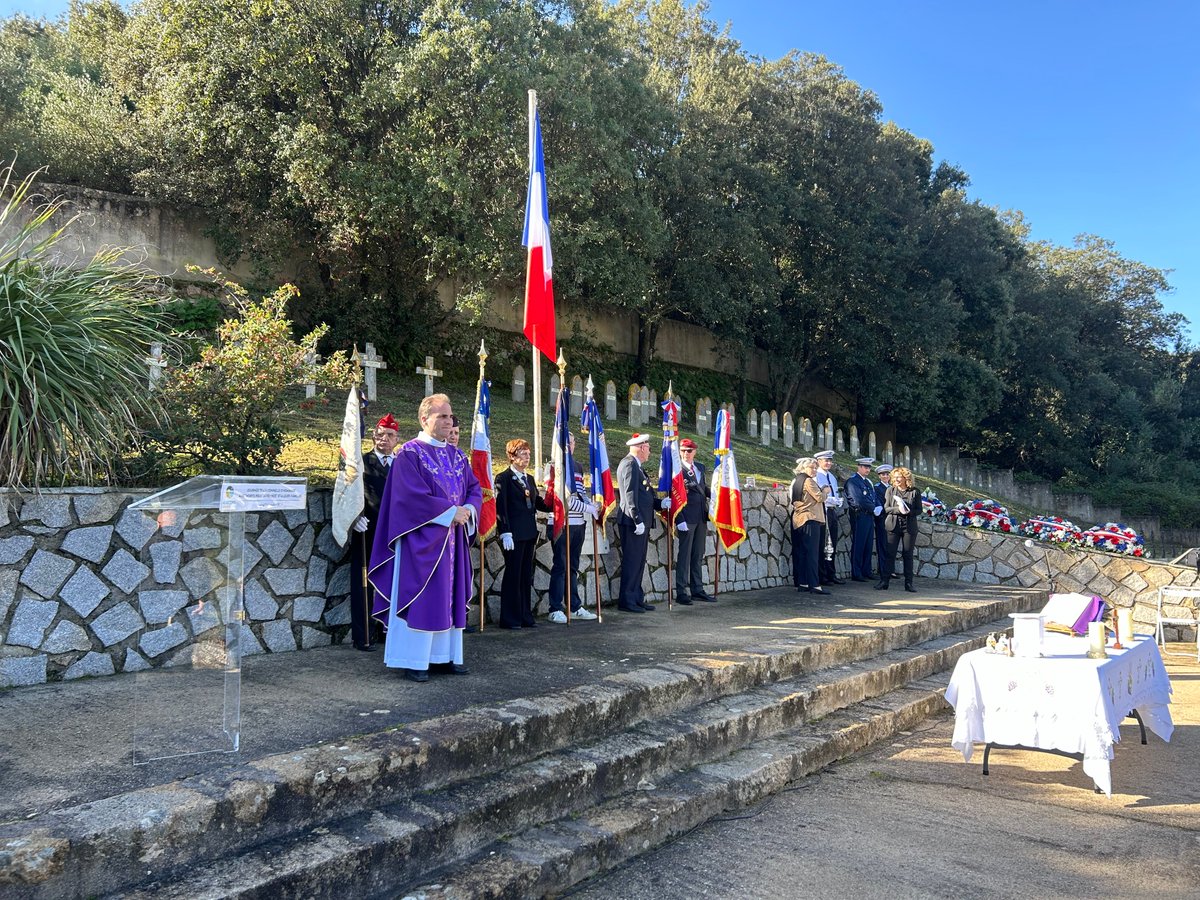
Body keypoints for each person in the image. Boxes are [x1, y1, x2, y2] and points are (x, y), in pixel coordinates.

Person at [369, 394, 482, 682]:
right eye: (442, 416)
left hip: (453, 541)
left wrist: (468, 509)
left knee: (450, 596)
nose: (449, 421)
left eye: (450, 416)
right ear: (424, 419)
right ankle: (414, 659)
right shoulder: (409, 454)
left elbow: (473, 488)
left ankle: (446, 657)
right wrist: (449, 512)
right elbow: (409, 498)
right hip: (423, 543)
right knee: (423, 598)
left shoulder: (457, 455)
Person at [347, 413, 400, 651]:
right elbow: (347, 494)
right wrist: (354, 518)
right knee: (363, 584)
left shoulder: (403, 465)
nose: (384, 439)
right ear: (373, 436)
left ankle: (390, 630)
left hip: (395, 534)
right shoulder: (360, 462)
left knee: (393, 583)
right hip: (367, 531)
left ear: (397, 438)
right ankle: (363, 634)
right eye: (380, 434)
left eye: (389, 435)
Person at [494, 438, 550, 628]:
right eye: (523, 454)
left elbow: (539, 503)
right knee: (513, 575)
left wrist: (554, 499)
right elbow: (501, 507)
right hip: (514, 535)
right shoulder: (504, 478)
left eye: (528, 454)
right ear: (512, 456)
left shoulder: (530, 479)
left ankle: (525, 615)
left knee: (526, 576)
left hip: (529, 533)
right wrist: (505, 531)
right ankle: (510, 618)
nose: (527, 458)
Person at [545, 433, 599, 623]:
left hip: (578, 524)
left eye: (572, 442)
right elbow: (561, 500)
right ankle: (555, 608)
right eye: (565, 443)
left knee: (573, 566)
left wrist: (592, 505)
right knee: (560, 565)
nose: (569, 446)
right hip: (561, 523)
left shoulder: (577, 466)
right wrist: (587, 508)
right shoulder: (553, 467)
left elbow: (581, 492)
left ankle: (574, 606)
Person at [616, 433, 670, 612]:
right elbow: (630, 495)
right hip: (633, 523)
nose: (649, 451)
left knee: (639, 562)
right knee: (632, 562)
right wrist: (637, 519)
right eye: (647, 447)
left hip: (641, 522)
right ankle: (627, 601)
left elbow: (645, 495)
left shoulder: (637, 467)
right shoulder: (629, 464)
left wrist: (660, 504)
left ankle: (636, 597)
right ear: (640, 448)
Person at [674, 438, 715, 605]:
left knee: (698, 554)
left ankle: (697, 589)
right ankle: (681, 592)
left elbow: (702, 488)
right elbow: (674, 494)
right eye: (683, 450)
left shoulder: (700, 468)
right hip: (686, 517)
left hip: (700, 517)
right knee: (684, 556)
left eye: (689, 451)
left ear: (694, 452)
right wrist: (680, 519)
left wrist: (716, 495)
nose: (685, 454)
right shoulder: (677, 469)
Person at [878, 466, 920, 593]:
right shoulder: (890, 490)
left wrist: (908, 511)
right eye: (894, 477)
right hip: (893, 524)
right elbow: (886, 508)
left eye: (898, 477)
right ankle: (884, 581)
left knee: (907, 554)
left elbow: (919, 510)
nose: (895, 479)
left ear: (905, 478)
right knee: (890, 553)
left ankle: (909, 583)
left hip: (909, 526)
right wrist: (898, 510)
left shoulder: (914, 491)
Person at [790, 457, 827, 594]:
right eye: (812, 467)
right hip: (810, 519)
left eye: (815, 467)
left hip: (798, 519)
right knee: (812, 553)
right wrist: (825, 491)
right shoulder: (808, 480)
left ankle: (803, 582)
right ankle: (815, 585)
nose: (815, 470)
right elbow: (820, 498)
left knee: (802, 553)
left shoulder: (797, 480)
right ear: (804, 468)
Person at [813, 450, 845, 585]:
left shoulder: (831, 476)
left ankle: (831, 573)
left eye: (830, 460)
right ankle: (823, 575)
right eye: (826, 460)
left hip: (832, 512)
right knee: (824, 544)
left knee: (832, 544)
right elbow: (820, 495)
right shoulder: (816, 476)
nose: (828, 463)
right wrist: (832, 500)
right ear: (819, 461)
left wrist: (837, 501)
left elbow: (834, 493)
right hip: (823, 510)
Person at [845, 457, 878, 582]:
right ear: (859, 467)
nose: (867, 469)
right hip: (860, 515)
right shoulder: (853, 481)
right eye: (865, 467)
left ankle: (866, 570)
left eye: (869, 467)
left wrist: (876, 506)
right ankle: (857, 572)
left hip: (868, 515)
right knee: (859, 544)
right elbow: (859, 499)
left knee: (868, 544)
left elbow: (872, 497)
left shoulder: (867, 482)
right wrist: (873, 508)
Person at [873, 464, 897, 579]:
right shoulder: (877, 488)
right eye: (883, 474)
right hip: (883, 519)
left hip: (893, 519)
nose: (886, 476)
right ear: (879, 476)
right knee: (883, 545)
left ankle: (891, 570)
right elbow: (879, 503)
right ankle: (883, 570)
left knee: (891, 546)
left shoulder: (893, 488)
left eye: (887, 474)